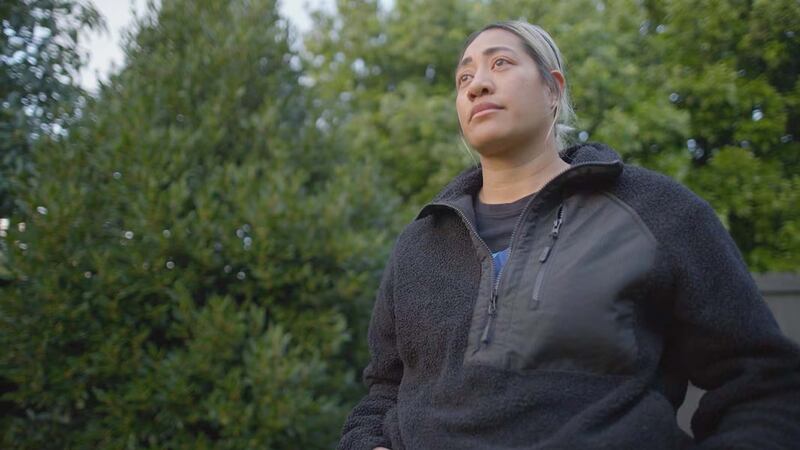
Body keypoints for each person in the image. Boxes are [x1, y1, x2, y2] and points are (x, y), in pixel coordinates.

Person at [337, 20, 800, 450]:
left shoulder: (658, 213)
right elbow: (384, 392)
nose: (477, 84)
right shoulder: (420, 242)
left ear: (553, 89)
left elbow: (764, 384)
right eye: (464, 78)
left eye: (501, 63)